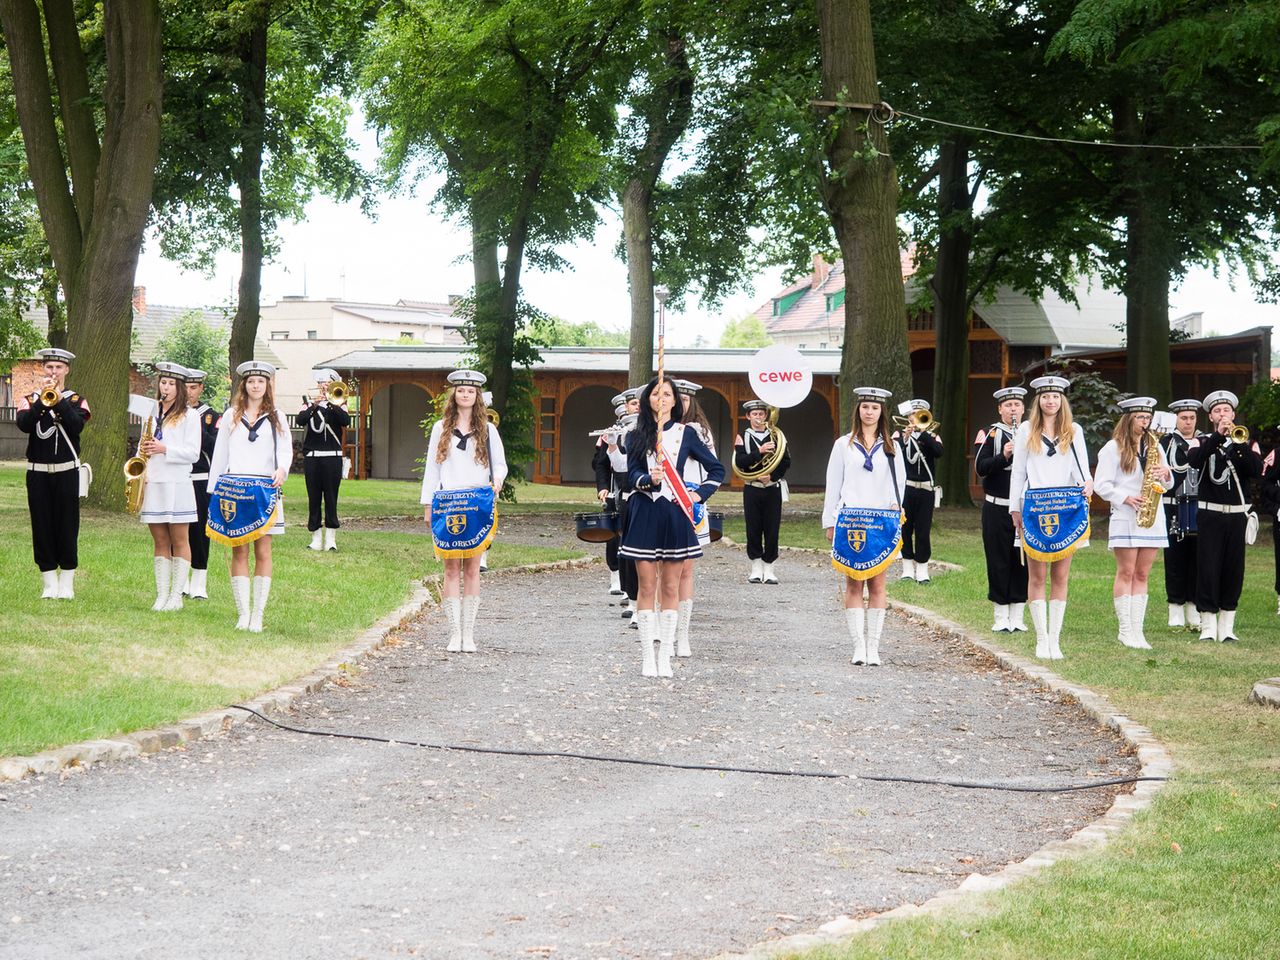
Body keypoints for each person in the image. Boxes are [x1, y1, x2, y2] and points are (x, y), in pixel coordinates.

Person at [619, 377, 724, 677]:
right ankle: (647, 657)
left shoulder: (686, 434)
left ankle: (665, 654)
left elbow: (716, 469)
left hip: (676, 513)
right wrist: (647, 479)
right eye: (655, 393)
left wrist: (698, 494)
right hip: (644, 512)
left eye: (667, 394)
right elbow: (630, 476)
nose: (661, 398)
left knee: (669, 585)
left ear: (675, 400)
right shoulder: (635, 433)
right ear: (647, 399)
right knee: (646, 585)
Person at [421, 370, 508, 653]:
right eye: (461, 390)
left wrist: (497, 481)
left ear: (477, 396)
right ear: (454, 394)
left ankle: (468, 633)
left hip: (477, 503)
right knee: (450, 568)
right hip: (447, 503)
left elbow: (501, 465)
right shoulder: (439, 428)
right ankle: (453, 632)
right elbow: (432, 469)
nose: (466, 394)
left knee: (472, 567)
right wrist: (428, 505)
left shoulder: (488, 430)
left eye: (471, 391)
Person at [1009, 376, 1093, 660]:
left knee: (1060, 575)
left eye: (1056, 396)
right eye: (1045, 396)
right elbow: (1018, 470)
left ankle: (1055, 640)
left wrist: (1088, 484)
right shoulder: (1025, 430)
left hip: (1066, 507)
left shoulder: (1074, 430)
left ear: (1062, 400)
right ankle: (1041, 639)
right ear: (1038, 401)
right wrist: (1014, 508)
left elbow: (1082, 467)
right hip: (1035, 506)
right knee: (1037, 576)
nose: (1051, 401)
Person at [206, 360, 293, 632]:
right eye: (251, 381)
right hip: (234, 489)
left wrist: (282, 469)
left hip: (264, 489)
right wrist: (213, 490)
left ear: (267, 386)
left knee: (263, 550)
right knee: (238, 550)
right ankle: (243, 612)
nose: (256, 386)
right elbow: (220, 454)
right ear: (244, 385)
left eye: (261, 382)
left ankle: (258, 614)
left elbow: (286, 450)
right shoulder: (232, 414)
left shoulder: (277, 416)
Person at [822, 387, 906, 667]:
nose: (869, 412)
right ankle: (858, 646)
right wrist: (829, 521)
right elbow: (833, 484)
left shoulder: (892, 446)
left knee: (879, 585)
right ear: (857, 410)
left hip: (881, 519)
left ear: (882, 412)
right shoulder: (842, 444)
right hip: (851, 520)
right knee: (854, 584)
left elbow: (900, 484)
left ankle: (874, 647)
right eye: (865, 407)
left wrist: (896, 511)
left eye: (875, 407)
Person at [1093, 397, 1172, 649]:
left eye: (1148, 418)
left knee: (1142, 573)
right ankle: (1125, 630)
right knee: (1126, 572)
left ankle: (1138, 631)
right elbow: (1101, 485)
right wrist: (1124, 497)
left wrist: (1167, 474)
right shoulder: (1112, 448)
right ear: (1128, 420)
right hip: (1126, 516)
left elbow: (1167, 484)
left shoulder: (1155, 446)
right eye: (1140, 418)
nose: (1145, 423)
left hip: (1152, 515)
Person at [1187, 390, 1261, 643]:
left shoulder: (1247, 441)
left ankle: (1227, 625)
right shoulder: (1201, 440)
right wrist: (1218, 437)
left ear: (1234, 414)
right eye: (1217, 411)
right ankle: (1207, 624)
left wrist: (1237, 445)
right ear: (1210, 416)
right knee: (1207, 567)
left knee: (1233, 569)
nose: (1222, 415)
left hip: (1237, 516)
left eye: (1226, 411)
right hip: (1210, 514)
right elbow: (1195, 462)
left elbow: (1256, 470)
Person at [17, 347, 89, 599]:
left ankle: (67, 582)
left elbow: (77, 426)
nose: (53, 371)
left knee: (67, 525)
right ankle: (49, 582)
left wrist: (58, 401)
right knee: (42, 525)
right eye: (49, 367)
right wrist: (42, 401)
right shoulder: (29, 399)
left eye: (58, 367)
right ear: (43, 369)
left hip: (66, 471)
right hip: (37, 472)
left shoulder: (76, 401)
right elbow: (25, 425)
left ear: (67, 370)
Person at [140, 362, 202, 612]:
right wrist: (141, 465)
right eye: (162, 382)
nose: (165, 387)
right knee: (160, 540)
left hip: (177, 482)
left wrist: (164, 449)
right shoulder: (151, 412)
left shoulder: (191, 415)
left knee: (179, 539)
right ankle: (161, 594)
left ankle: (176, 595)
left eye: (171, 384)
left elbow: (193, 453)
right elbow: (144, 445)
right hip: (154, 480)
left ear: (180, 388)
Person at [974, 386, 1029, 633]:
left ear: (1023, 408)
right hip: (996, 508)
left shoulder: (1030, 433)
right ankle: (1000, 615)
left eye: (1017, 404)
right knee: (997, 559)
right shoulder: (989, 433)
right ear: (1000, 409)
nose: (1013, 409)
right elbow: (980, 468)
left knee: (1022, 560)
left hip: (1024, 508)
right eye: (1008, 405)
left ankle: (1018, 614)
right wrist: (1004, 455)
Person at [673, 378, 719, 656]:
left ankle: (683, 633)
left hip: (690, 502)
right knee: (658, 568)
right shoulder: (654, 429)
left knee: (686, 569)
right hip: (660, 502)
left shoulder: (699, 432)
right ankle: (660, 623)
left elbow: (712, 468)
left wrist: (699, 495)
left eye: (685, 399)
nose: (680, 404)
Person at [734, 399, 791, 585]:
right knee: (753, 527)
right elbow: (740, 462)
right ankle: (756, 567)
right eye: (754, 414)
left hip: (772, 488)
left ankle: (770, 568)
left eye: (761, 414)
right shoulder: (742, 436)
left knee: (772, 528)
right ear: (748, 416)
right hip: (752, 488)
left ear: (766, 416)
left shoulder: (777, 436)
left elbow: (785, 461)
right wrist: (759, 452)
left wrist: (772, 476)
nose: (758, 417)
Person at [298, 368, 351, 552]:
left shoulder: (339, 403)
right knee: (313, 498)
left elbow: (345, 421)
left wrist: (332, 403)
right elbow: (300, 420)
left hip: (332, 458)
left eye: (328, 383)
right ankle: (315, 537)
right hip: (313, 458)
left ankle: (331, 538)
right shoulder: (309, 404)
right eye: (321, 383)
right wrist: (315, 405)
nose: (324, 386)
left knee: (331, 497)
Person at [1160, 399, 1202, 628]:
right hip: (1172, 503)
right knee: (1174, 557)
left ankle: (1194, 607)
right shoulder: (1165, 442)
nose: (1188, 422)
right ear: (1175, 418)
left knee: (1197, 557)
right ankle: (1175, 608)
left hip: (1199, 504)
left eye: (1192, 418)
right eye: (1183, 417)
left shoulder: (1204, 441)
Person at [896, 399, 943, 583]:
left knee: (923, 530)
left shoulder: (932, 435)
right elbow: (893, 454)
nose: (914, 418)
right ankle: (907, 568)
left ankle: (922, 570)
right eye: (911, 415)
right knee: (905, 528)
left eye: (918, 415)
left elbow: (939, 452)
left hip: (925, 490)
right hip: (906, 488)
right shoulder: (899, 434)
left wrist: (922, 434)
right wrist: (906, 438)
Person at [183, 368, 218, 600]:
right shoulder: (174, 413)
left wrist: (195, 426)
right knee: (179, 531)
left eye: (193, 387)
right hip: (178, 478)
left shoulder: (211, 416)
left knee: (200, 531)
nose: (188, 392)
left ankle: (199, 581)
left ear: (201, 388)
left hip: (200, 480)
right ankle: (182, 580)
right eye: (184, 387)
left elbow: (215, 446)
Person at [609, 387, 643, 626]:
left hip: (661, 501)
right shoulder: (628, 433)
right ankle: (634, 601)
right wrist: (612, 446)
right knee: (630, 553)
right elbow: (622, 467)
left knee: (655, 558)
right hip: (631, 498)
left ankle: (654, 606)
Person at [592, 394, 630, 597]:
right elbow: (600, 464)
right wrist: (603, 487)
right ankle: (615, 575)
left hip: (637, 490)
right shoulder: (612, 432)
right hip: (616, 490)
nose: (636, 408)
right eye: (632, 404)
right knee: (614, 535)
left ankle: (631, 584)